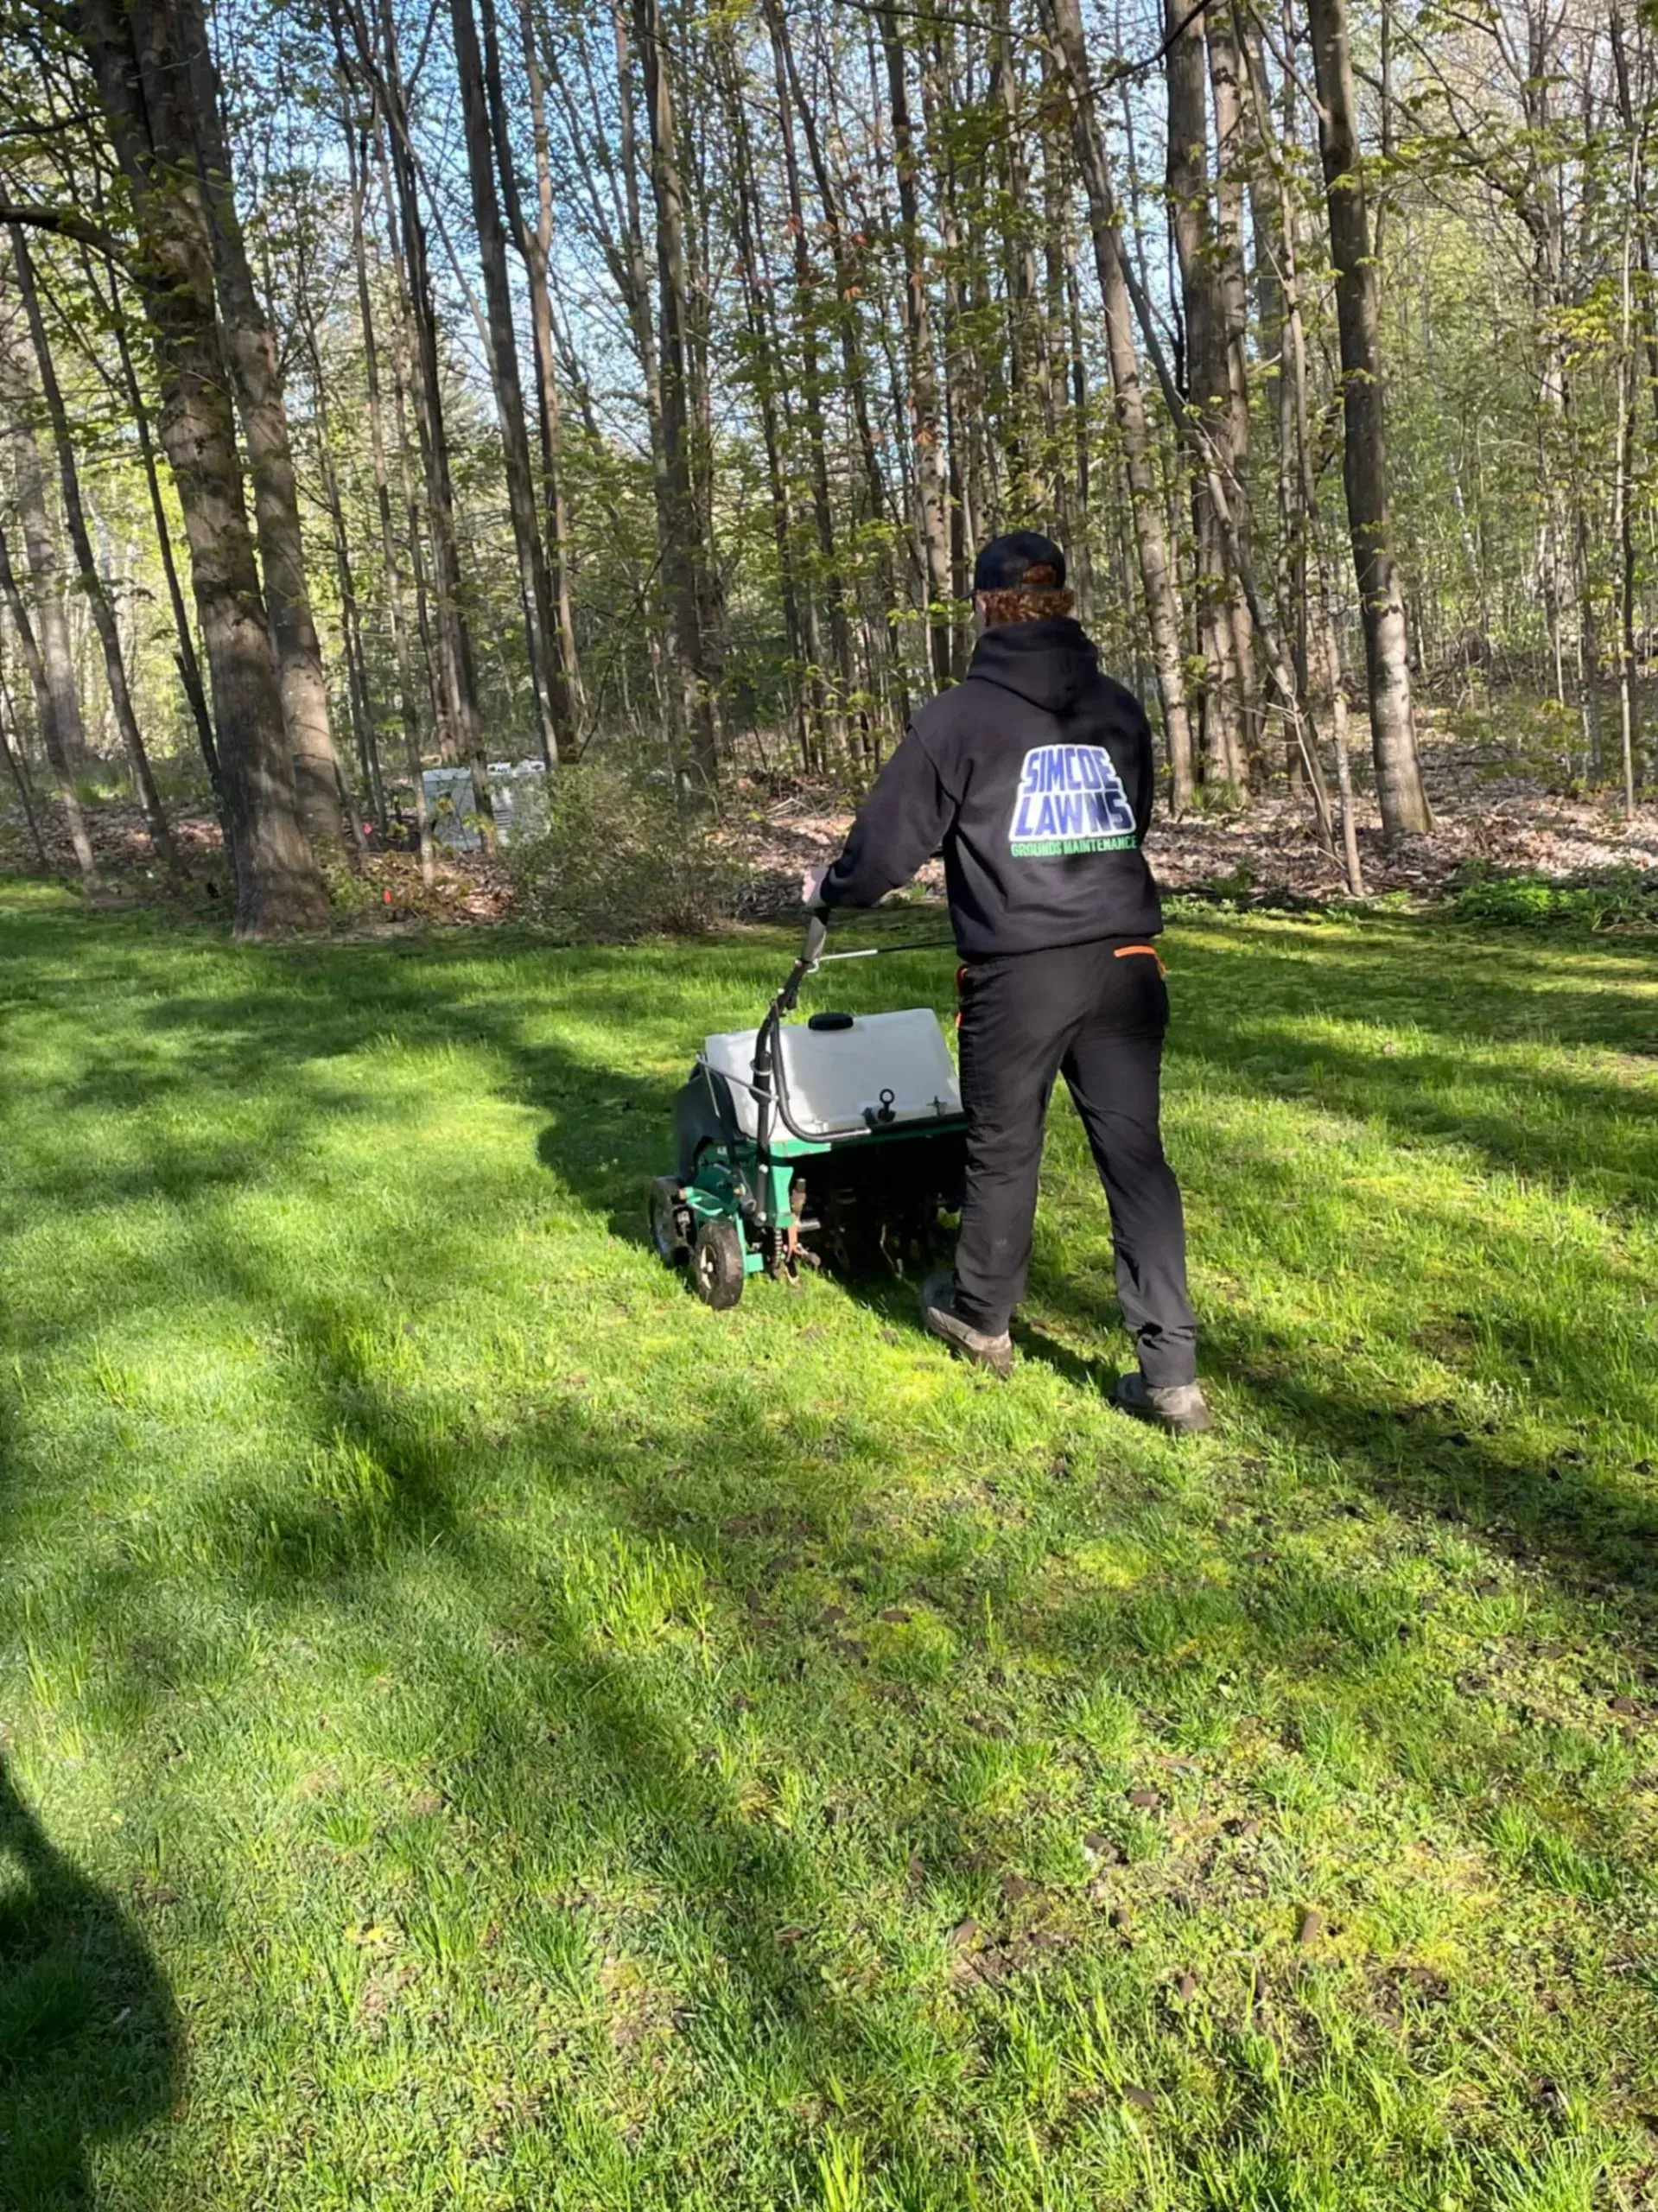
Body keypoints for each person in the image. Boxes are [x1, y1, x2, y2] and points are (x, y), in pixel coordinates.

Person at [802, 531, 1209, 1433]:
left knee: (1003, 1146)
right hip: (1127, 965)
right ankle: (1171, 1377)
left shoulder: (956, 718)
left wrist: (830, 887)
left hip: (1021, 971)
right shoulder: (1114, 704)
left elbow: (883, 851)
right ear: (1062, 601)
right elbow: (1129, 819)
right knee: (1135, 1159)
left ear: (984, 607)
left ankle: (980, 1317)